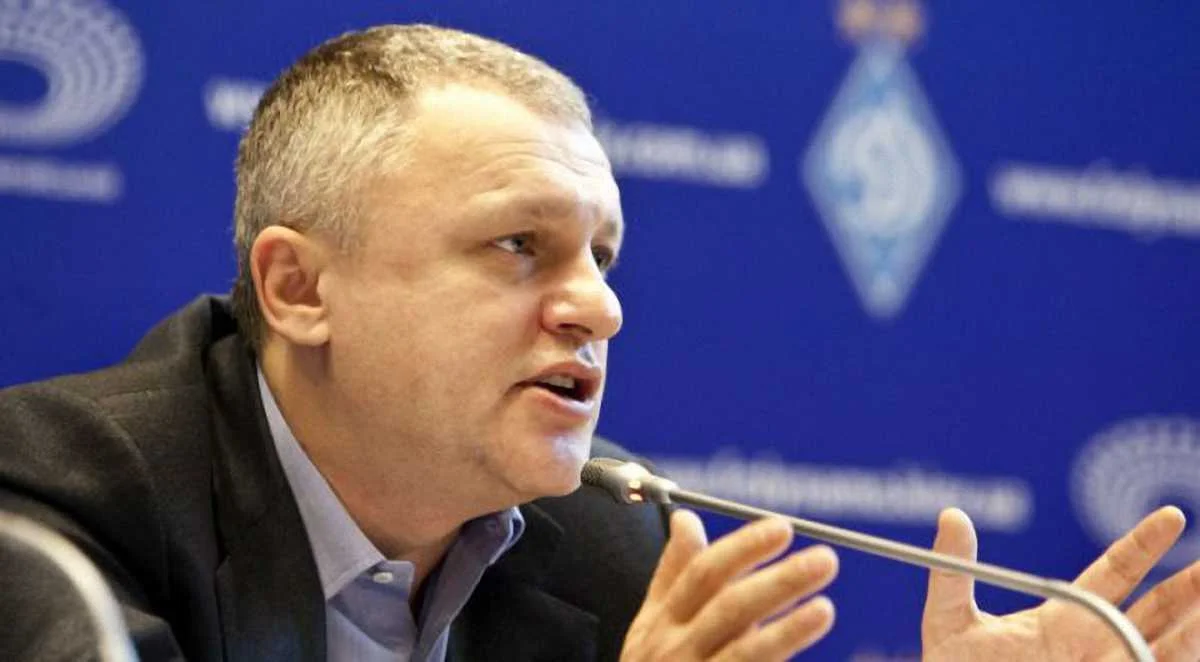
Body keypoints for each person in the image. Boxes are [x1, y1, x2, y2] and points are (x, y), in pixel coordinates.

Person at [0, 23, 1198, 662]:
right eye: (517, 245)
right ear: (300, 288)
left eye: (603, 256)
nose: (600, 309)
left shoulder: (614, 544)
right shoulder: (54, 502)